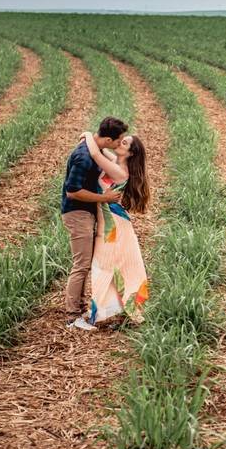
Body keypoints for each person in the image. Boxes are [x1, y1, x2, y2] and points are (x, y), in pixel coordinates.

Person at [70, 130, 152, 331]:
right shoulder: (116, 162)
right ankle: (112, 309)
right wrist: (90, 139)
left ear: (130, 153)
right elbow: (100, 151)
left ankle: (100, 313)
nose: (119, 143)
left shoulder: (121, 171)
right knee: (108, 265)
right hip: (109, 225)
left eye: (124, 143)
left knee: (103, 265)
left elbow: (97, 154)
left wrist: (88, 135)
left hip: (114, 227)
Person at [61, 116, 127, 330]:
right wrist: (104, 199)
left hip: (85, 213)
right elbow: (72, 192)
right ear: (108, 139)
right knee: (80, 265)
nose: (119, 145)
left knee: (84, 264)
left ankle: (79, 309)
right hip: (77, 213)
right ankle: (72, 317)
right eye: (118, 141)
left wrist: (87, 135)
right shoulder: (84, 157)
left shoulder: (92, 152)